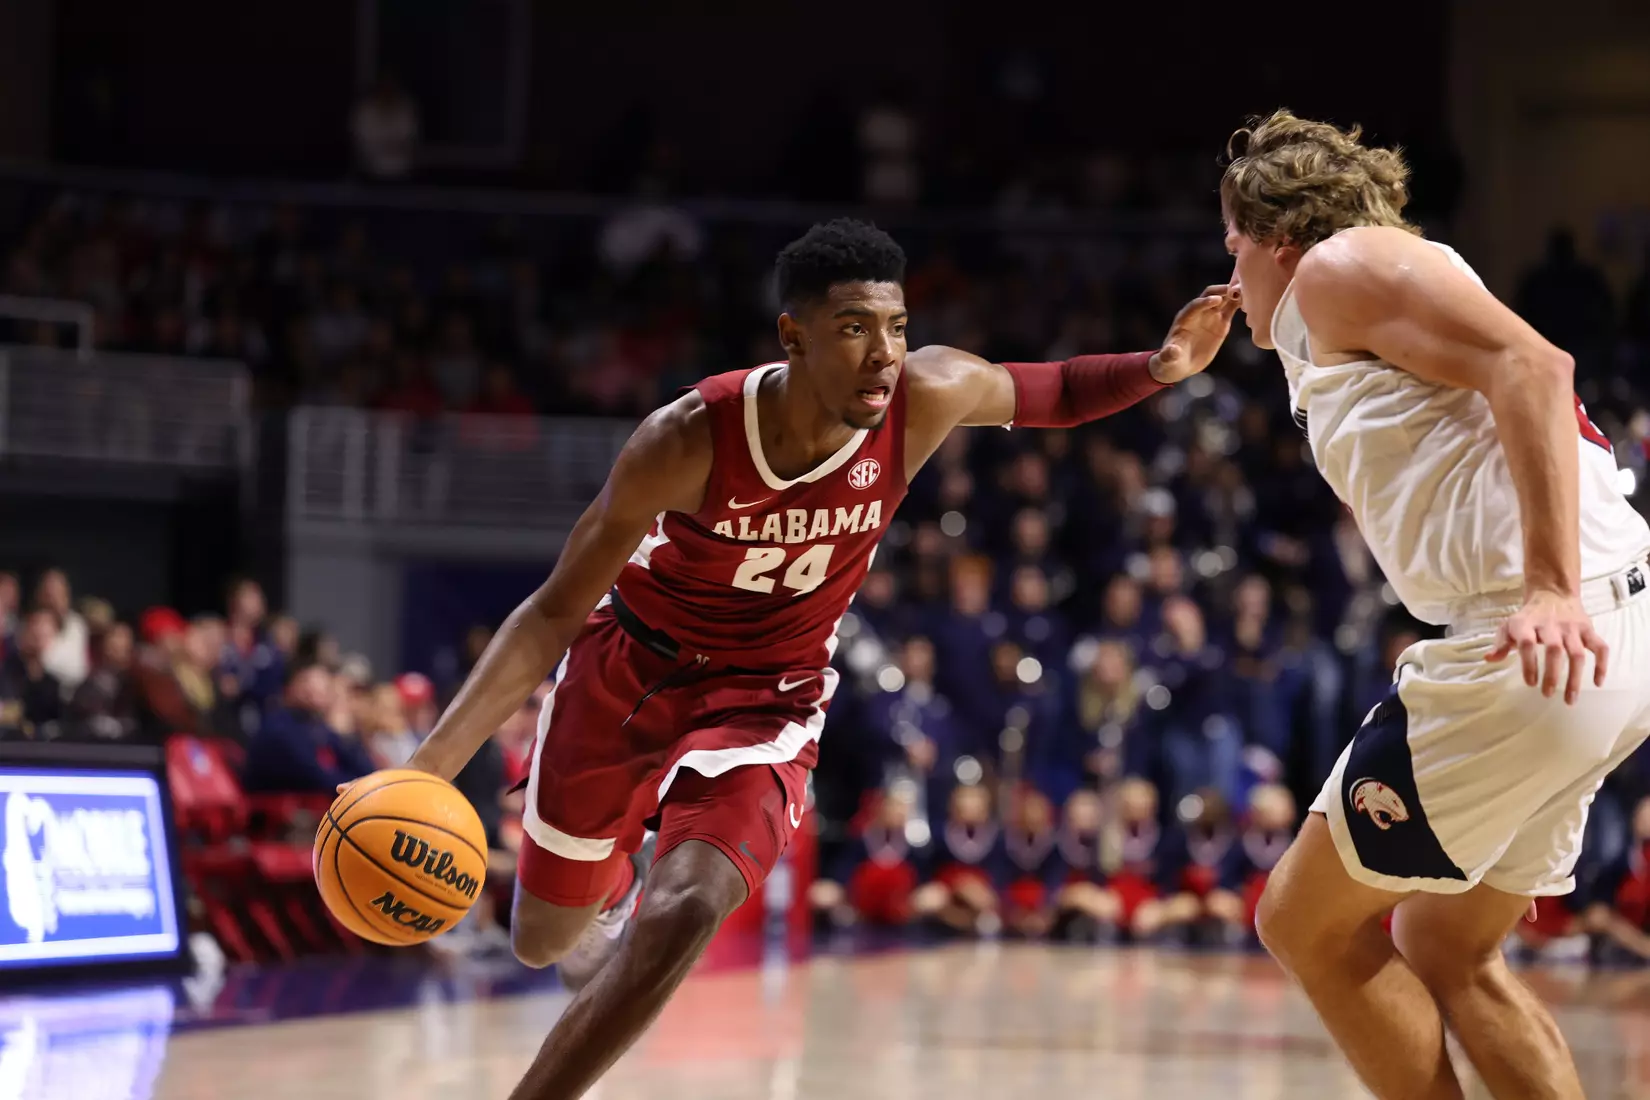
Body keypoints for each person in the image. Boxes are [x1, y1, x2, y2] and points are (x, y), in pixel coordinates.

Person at [366, 218, 1235, 1100]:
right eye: (856, 327)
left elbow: (1048, 390)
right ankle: (608, 883)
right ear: (794, 335)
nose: (885, 354)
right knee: (543, 941)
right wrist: (426, 771)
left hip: (767, 695)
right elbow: (552, 611)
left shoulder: (924, 397)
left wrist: (1162, 366)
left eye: (896, 327)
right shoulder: (687, 436)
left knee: (692, 903)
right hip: (629, 671)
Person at [1223, 110, 1650, 1100]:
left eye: (1232, 248)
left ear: (1281, 241)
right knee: (1445, 940)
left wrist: (1545, 583)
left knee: (1301, 919)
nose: (1226, 269)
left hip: (1541, 626)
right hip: (1607, 636)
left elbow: (1535, 367)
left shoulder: (1339, 267)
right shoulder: (1334, 308)